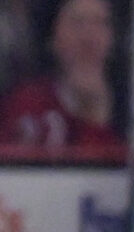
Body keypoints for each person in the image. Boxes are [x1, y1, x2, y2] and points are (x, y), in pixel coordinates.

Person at [1, 0, 118, 152]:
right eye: (77, 23)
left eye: (101, 23)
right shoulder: (25, 104)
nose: (89, 38)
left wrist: (94, 120)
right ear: (53, 38)